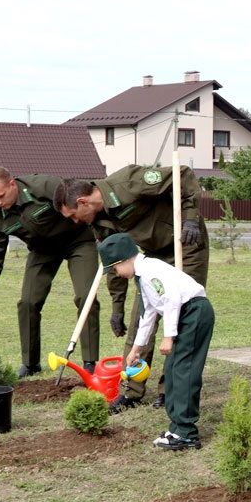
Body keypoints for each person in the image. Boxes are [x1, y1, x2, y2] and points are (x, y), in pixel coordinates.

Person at [55, 164, 209, 413]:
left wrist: (190, 219)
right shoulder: (99, 223)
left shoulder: (127, 183)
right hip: (152, 256)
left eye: (73, 215)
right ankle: (132, 391)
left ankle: (170, 389)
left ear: (83, 202)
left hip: (186, 243)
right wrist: (117, 308)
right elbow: (114, 264)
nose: (75, 221)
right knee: (141, 320)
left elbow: (182, 175)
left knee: (181, 317)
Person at [0, 166, 100, 377]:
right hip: (42, 251)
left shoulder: (44, 187)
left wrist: (103, 231)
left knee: (85, 297)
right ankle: (30, 364)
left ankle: (90, 362)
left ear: (12, 184)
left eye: (1, 196)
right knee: (27, 302)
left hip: (78, 241)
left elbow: (84, 199)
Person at [98, 233, 214, 450]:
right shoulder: (142, 277)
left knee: (184, 371)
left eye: (114, 268)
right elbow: (148, 313)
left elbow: (171, 298)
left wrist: (168, 336)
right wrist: (136, 349)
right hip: (184, 314)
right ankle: (176, 428)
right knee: (171, 371)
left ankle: (186, 433)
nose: (115, 273)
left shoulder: (150, 271)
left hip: (194, 312)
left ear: (124, 260)